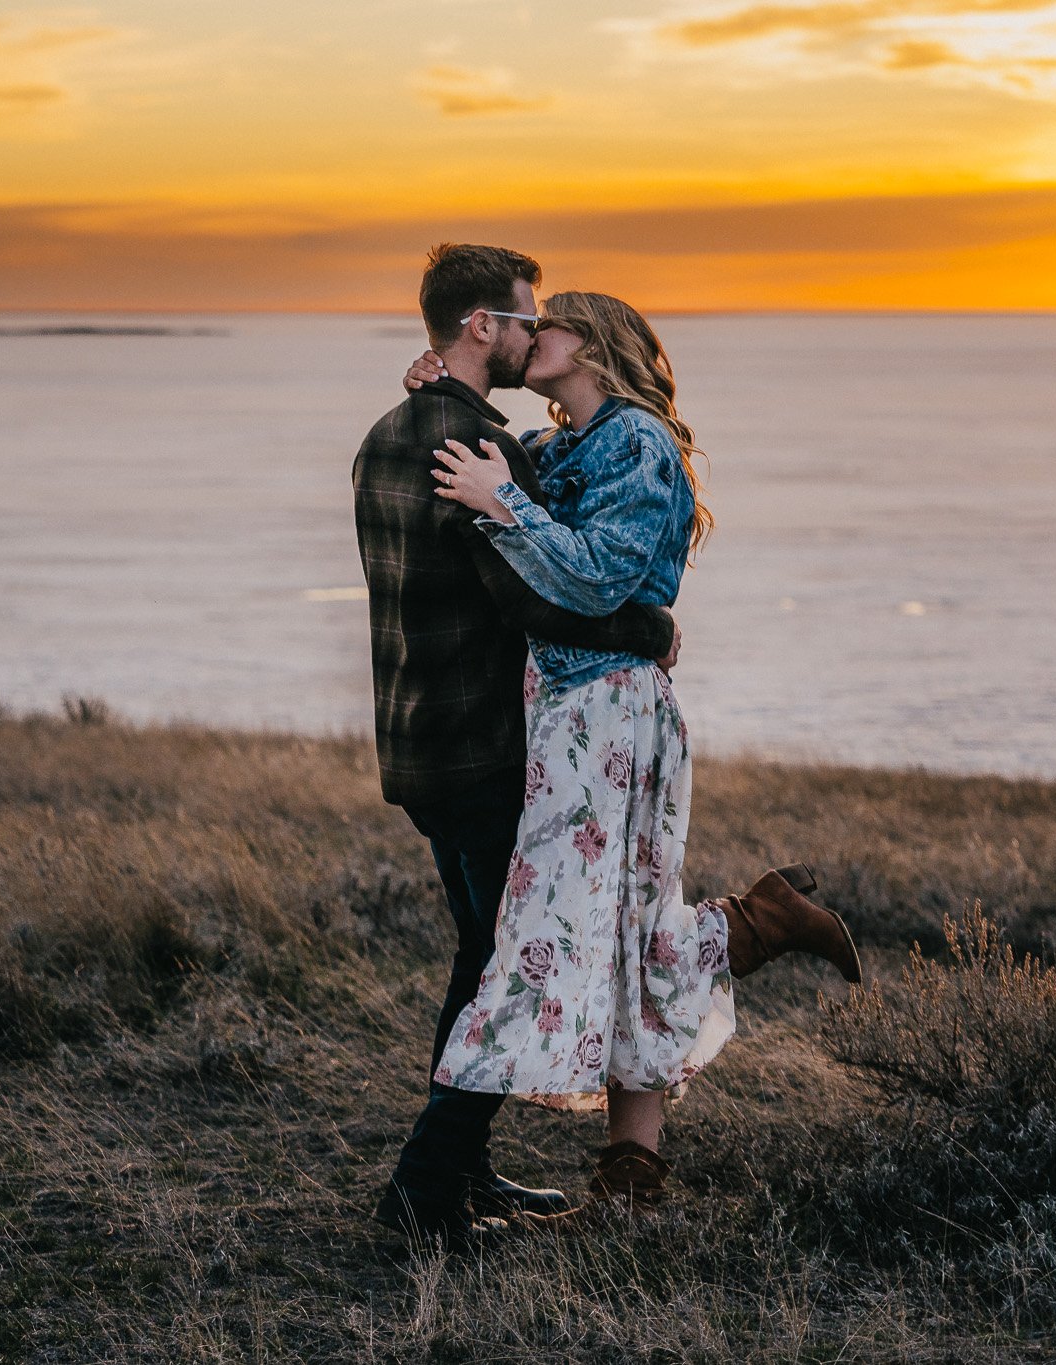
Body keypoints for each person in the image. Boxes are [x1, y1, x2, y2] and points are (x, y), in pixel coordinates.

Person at [402, 288, 862, 1219]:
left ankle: (438, 1162)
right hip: (564, 707)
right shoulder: (561, 444)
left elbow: (601, 571)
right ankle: (631, 1179)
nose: (534, 336)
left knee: (554, 927)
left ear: (594, 343)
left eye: (551, 323)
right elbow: (517, 494)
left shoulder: (639, 443)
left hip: (610, 709)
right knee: (622, 929)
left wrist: (503, 508)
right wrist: (430, 387)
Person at [353, 244, 683, 1249]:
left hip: (416, 745)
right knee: (505, 966)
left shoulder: (394, 429)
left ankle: (464, 1175)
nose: (532, 332)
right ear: (480, 329)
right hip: (485, 748)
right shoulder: (478, 453)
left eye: (547, 323)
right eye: (522, 319)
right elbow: (540, 599)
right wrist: (647, 633)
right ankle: (423, 1192)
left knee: (480, 953)